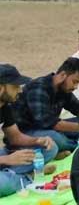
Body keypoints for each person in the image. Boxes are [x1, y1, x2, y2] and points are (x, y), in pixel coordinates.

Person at [0, 65, 58, 198]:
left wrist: (37, 141)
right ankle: (26, 177)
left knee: (51, 148)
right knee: (3, 183)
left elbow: (15, 138)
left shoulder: (4, 107)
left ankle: (14, 174)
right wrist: (6, 159)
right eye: (15, 86)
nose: (20, 90)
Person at [13, 58, 79, 151]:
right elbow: (46, 122)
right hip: (26, 133)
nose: (76, 87)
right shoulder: (38, 88)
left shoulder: (63, 89)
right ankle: (76, 146)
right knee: (56, 138)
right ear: (63, 75)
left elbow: (78, 107)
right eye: (75, 82)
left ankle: (74, 142)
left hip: (49, 128)